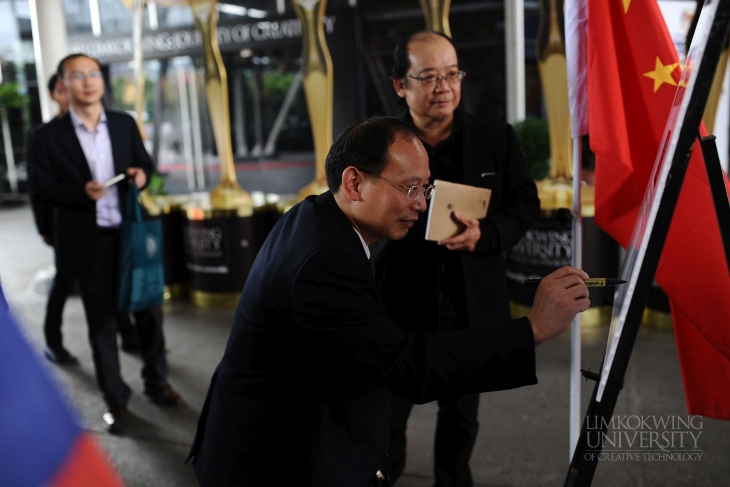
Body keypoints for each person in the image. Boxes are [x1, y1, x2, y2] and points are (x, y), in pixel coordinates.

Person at [187, 117, 588, 486]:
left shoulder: (318, 215)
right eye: (410, 188)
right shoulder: (325, 261)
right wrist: (533, 328)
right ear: (354, 183)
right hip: (271, 463)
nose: (422, 203)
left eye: (426, 187)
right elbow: (408, 368)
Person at [380, 30, 542, 487]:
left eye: (451, 74)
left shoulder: (495, 138)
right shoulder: (377, 143)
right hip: (397, 305)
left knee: (462, 417)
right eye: (428, 77)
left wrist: (487, 233)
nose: (443, 87)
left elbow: (525, 204)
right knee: (386, 415)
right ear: (400, 85)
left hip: (470, 304)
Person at [28, 53, 181, 434]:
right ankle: (116, 400)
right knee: (102, 325)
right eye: (77, 76)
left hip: (131, 234)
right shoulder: (46, 137)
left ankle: (157, 383)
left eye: (93, 74)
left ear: (101, 80)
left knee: (150, 314)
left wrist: (140, 176)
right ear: (63, 85)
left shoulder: (125, 124)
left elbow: (147, 167)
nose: (87, 81)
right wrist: (81, 193)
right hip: (88, 241)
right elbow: (42, 190)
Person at [26, 75, 140, 366]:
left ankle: (127, 333)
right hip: (66, 227)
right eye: (63, 90)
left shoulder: (106, 126)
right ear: (55, 95)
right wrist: (44, 230)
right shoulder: (47, 135)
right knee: (64, 282)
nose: (71, 94)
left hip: (105, 225)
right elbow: (39, 191)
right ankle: (53, 341)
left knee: (114, 279)